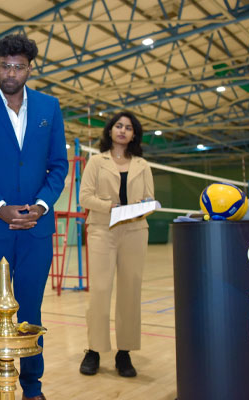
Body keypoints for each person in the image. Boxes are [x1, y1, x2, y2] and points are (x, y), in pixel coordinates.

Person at [0, 34, 68, 400]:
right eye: (4, 65)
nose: (10, 73)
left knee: (32, 309)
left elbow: (58, 166)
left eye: (18, 67)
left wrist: (41, 205)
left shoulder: (50, 107)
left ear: (29, 69)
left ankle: (32, 387)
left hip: (37, 226)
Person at [78, 110, 155, 378]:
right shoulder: (96, 162)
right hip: (102, 229)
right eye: (119, 126)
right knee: (100, 290)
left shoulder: (142, 165)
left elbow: (149, 199)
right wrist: (109, 207)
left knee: (130, 291)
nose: (123, 130)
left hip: (135, 231)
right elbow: (84, 197)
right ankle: (94, 350)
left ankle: (125, 352)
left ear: (134, 135)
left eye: (129, 127)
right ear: (110, 130)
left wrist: (143, 206)